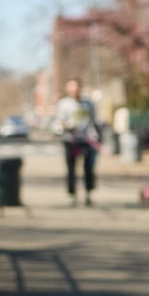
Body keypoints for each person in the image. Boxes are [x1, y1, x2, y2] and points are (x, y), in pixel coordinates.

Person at [53, 77, 100, 206]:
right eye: (71, 87)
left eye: (76, 87)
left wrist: (96, 138)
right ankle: (72, 195)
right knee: (71, 168)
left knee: (88, 168)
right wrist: (64, 126)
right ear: (67, 89)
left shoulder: (88, 104)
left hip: (86, 140)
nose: (74, 89)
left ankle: (89, 194)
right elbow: (58, 122)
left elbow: (93, 121)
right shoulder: (63, 104)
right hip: (70, 141)